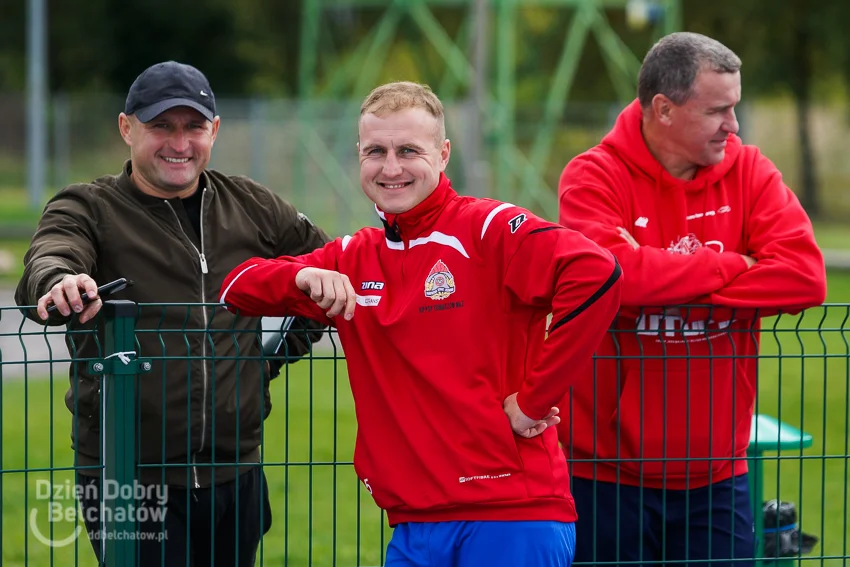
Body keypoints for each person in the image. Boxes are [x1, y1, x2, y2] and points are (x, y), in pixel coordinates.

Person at [218, 81, 622, 566]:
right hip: (413, 525)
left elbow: (597, 272)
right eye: (376, 152)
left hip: (511, 516)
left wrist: (535, 400)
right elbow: (235, 288)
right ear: (359, 157)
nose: (391, 168)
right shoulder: (352, 257)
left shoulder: (488, 228)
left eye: (408, 150)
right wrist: (302, 274)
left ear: (443, 153)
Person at [15, 61, 329, 566]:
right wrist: (60, 281)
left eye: (194, 127)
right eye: (161, 126)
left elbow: (332, 270)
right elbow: (52, 252)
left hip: (237, 471)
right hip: (126, 472)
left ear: (215, 131)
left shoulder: (251, 204)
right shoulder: (90, 206)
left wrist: (266, 359)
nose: (179, 143)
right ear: (127, 128)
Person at [556, 32, 827, 566]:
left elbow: (804, 278)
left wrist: (656, 271)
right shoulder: (593, 176)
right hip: (604, 473)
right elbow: (614, 279)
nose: (734, 125)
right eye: (718, 111)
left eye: (735, 107)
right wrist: (735, 266)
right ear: (663, 109)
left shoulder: (751, 172)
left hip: (718, 471)